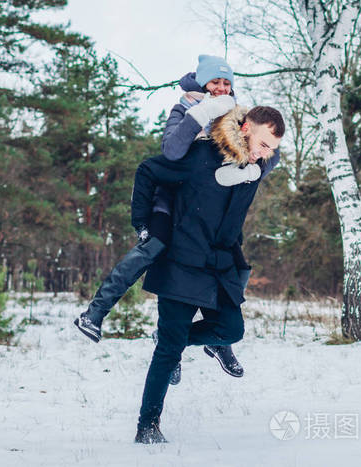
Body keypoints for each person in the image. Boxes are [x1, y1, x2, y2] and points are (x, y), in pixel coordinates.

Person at [74, 56, 264, 381]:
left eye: (226, 83)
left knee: (236, 264)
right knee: (150, 250)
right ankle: (94, 313)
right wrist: (142, 223)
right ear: (202, 83)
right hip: (172, 201)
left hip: (208, 209)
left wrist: (257, 163)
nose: (221, 88)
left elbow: (258, 153)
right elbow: (171, 152)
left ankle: (220, 342)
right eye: (215, 82)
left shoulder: (237, 117)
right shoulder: (183, 109)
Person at [132, 105, 285, 444]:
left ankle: (170, 340)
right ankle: (148, 426)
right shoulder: (201, 155)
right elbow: (148, 170)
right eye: (263, 145)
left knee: (231, 329)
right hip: (182, 262)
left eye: (271, 150)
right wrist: (143, 225)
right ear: (244, 128)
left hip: (220, 265)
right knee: (169, 351)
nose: (265, 155)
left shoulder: (252, 168)